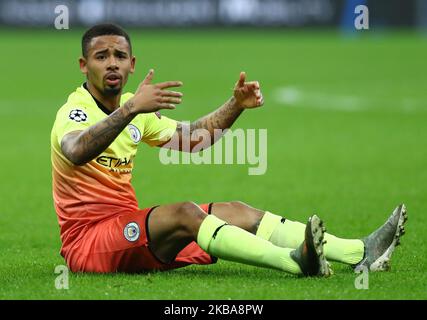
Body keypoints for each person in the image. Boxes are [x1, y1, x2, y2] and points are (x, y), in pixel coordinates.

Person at [51, 23, 407, 276]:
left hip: (126, 227)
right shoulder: (77, 111)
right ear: (84, 65)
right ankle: (295, 260)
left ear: (132, 64)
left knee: (234, 210)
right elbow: (75, 151)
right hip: (90, 242)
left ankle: (359, 251)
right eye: (101, 56)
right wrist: (131, 109)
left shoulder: (135, 108)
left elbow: (195, 138)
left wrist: (235, 105)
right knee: (186, 214)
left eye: (119, 55)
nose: (111, 62)